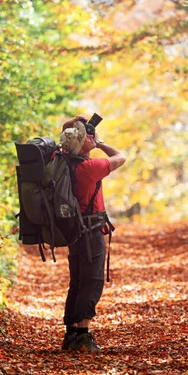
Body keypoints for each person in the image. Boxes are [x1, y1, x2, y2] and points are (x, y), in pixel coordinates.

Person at [59, 115, 126, 352]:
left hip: (74, 232)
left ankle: (71, 335)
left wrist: (74, 125)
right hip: (91, 231)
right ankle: (84, 336)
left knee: (77, 281)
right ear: (82, 142)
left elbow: (65, 133)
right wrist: (99, 143)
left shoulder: (62, 161)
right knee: (92, 281)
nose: (90, 137)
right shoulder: (89, 168)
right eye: (86, 136)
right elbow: (120, 157)